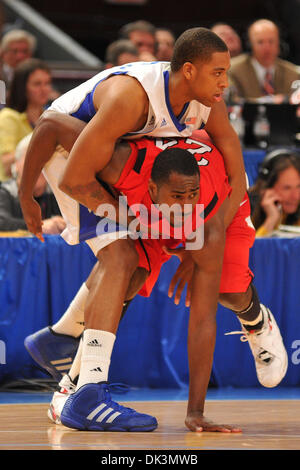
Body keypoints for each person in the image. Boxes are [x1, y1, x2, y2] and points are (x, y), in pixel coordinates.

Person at [20, 28, 249, 431]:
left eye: (227, 72)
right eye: (217, 72)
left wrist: (213, 231)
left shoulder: (205, 105)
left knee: (138, 265)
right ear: (190, 71)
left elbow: (236, 169)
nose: (225, 82)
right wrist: (26, 195)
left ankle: (62, 345)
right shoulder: (132, 98)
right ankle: (87, 391)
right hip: (67, 153)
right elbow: (56, 134)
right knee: (122, 255)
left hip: (112, 151)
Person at [21, 113, 287, 432]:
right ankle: (70, 384)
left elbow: (202, 320)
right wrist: (26, 195)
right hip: (155, 198)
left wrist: (195, 412)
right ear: (149, 188)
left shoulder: (207, 213)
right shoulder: (123, 166)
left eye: (190, 199)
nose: (184, 208)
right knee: (122, 272)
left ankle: (257, 321)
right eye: (177, 199)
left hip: (225, 202)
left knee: (226, 290)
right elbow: (51, 125)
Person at [0, 58, 53, 181]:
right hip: (11, 191)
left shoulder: (51, 116)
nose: (44, 89)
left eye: (47, 83)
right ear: (22, 87)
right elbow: (6, 164)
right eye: (37, 84)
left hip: (45, 188)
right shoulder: (8, 117)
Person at [0, 133, 65, 233]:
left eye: (44, 160)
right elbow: (2, 222)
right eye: (30, 160)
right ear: (16, 164)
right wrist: (40, 226)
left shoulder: (56, 193)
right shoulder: (5, 192)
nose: (38, 166)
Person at [228, 19, 300, 104]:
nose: (267, 48)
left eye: (271, 41)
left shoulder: (294, 73)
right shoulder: (233, 69)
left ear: (279, 43)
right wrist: (270, 101)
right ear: (250, 44)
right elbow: (232, 100)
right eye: (260, 42)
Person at [249, 148, 300, 236]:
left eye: (299, 186)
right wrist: (271, 220)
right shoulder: (246, 210)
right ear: (267, 188)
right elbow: (252, 249)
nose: (295, 196)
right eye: (287, 188)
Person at [0, 29, 36, 93]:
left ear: (31, 55)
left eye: (25, 51)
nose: (20, 56)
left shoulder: (38, 75)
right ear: (3, 54)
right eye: (14, 51)